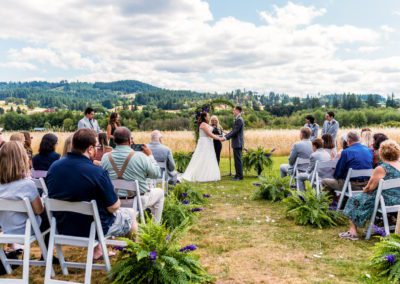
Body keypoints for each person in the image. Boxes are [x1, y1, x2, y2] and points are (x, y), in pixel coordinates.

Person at [46, 129, 136, 260]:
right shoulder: (97, 173)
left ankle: (98, 251)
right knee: (131, 214)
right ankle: (134, 259)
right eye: (97, 146)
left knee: (95, 212)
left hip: (62, 227)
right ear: (90, 149)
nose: (98, 150)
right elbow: (113, 207)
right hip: (92, 230)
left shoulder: (54, 167)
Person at [101, 127, 164, 224]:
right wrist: (150, 156)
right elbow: (156, 174)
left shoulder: (105, 157)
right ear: (130, 140)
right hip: (137, 201)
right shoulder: (140, 156)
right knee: (160, 193)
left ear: (114, 140)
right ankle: (154, 228)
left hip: (113, 201)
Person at [340, 140, 400, 241]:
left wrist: (364, 190)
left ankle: (353, 232)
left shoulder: (382, 168)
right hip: (398, 199)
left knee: (353, 199)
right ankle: (375, 225)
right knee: (366, 199)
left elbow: (369, 188)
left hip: (385, 201)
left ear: (382, 152)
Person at [0, 142, 43, 235]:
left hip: (4, 228)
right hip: (26, 230)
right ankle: (48, 246)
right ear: (23, 159)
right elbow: (39, 210)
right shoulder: (27, 185)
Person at [182, 112, 222, 182]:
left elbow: (212, 134)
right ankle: (200, 175)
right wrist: (219, 138)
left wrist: (220, 136)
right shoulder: (203, 124)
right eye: (208, 116)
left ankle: (209, 174)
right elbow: (209, 134)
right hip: (205, 143)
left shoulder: (206, 124)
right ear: (205, 117)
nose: (209, 117)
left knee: (209, 158)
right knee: (202, 158)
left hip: (208, 142)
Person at [221, 106, 245, 181]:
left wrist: (225, 138)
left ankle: (239, 176)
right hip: (236, 143)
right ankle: (237, 175)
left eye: (234, 110)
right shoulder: (237, 119)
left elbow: (235, 132)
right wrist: (226, 135)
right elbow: (233, 131)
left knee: (238, 160)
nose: (233, 111)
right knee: (236, 160)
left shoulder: (239, 120)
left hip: (238, 143)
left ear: (237, 111)